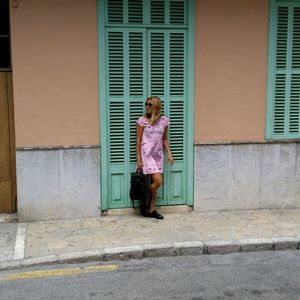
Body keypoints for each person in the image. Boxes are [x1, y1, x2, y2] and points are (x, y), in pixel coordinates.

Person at [136, 96, 174, 219]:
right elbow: (138, 140)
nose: (147, 106)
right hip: (147, 154)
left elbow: (164, 139)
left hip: (158, 154)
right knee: (158, 181)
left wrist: (169, 153)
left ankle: (152, 209)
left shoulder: (164, 121)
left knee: (155, 184)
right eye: (146, 104)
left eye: (150, 104)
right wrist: (139, 159)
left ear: (156, 106)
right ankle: (145, 197)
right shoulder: (142, 120)